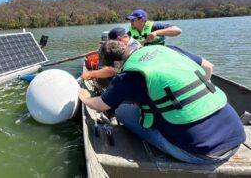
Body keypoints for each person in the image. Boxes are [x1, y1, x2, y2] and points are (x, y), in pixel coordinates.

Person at [79, 40, 246, 164]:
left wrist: (85, 97)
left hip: (203, 154)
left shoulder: (126, 76)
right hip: (236, 134)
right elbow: (208, 67)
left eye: (112, 69)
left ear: (117, 64)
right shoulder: (167, 49)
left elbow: (101, 105)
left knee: (122, 111)